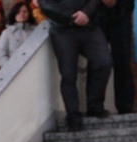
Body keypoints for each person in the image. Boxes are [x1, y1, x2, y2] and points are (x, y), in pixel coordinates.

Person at [39, 0, 112, 131]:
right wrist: (73, 17)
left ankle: (95, 105)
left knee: (104, 62)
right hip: (62, 31)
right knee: (68, 75)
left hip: (89, 26)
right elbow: (46, 4)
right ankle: (73, 116)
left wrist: (86, 13)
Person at [99, 0, 135, 114]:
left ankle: (125, 104)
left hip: (122, 11)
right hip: (97, 13)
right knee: (97, 61)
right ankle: (95, 105)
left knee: (123, 60)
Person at [0, 2, 37, 67]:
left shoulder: (35, 31)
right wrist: (12, 67)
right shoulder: (7, 33)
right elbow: (1, 56)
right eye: (18, 12)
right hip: (16, 71)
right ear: (14, 14)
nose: (22, 14)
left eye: (25, 11)